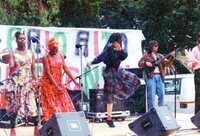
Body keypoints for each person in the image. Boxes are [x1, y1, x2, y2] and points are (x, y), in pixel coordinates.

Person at [87, 33, 140, 128]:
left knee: (134, 78)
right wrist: (91, 62)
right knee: (110, 94)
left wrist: (120, 50)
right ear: (114, 41)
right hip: (109, 72)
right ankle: (109, 118)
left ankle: (121, 95)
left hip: (117, 71)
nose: (121, 42)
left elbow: (125, 56)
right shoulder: (109, 48)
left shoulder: (120, 49)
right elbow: (101, 57)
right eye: (119, 40)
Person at [6, 31, 39, 136]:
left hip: (27, 83)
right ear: (16, 40)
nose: (22, 40)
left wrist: (36, 79)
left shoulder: (30, 53)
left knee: (33, 107)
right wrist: (13, 65)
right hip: (16, 83)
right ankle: (12, 129)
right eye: (20, 38)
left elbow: (33, 68)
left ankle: (36, 128)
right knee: (15, 107)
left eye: (24, 38)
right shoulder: (13, 52)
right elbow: (11, 66)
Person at [40, 38, 79, 123]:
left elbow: (66, 69)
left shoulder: (60, 55)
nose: (55, 50)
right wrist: (56, 86)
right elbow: (48, 73)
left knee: (66, 104)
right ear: (50, 48)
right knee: (53, 107)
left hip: (59, 83)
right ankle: (54, 125)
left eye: (56, 48)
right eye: (53, 49)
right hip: (48, 85)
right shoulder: (46, 57)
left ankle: (66, 124)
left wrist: (74, 81)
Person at [138, 40, 175, 110]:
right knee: (151, 96)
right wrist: (145, 63)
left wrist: (172, 57)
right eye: (155, 46)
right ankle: (152, 112)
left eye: (157, 46)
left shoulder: (160, 56)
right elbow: (139, 63)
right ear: (151, 47)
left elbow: (168, 64)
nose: (157, 47)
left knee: (162, 94)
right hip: (151, 76)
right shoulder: (146, 55)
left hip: (160, 77)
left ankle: (160, 111)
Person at [187, 32, 200, 114]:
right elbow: (189, 63)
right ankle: (198, 118)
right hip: (199, 73)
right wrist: (193, 64)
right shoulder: (195, 49)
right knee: (198, 96)